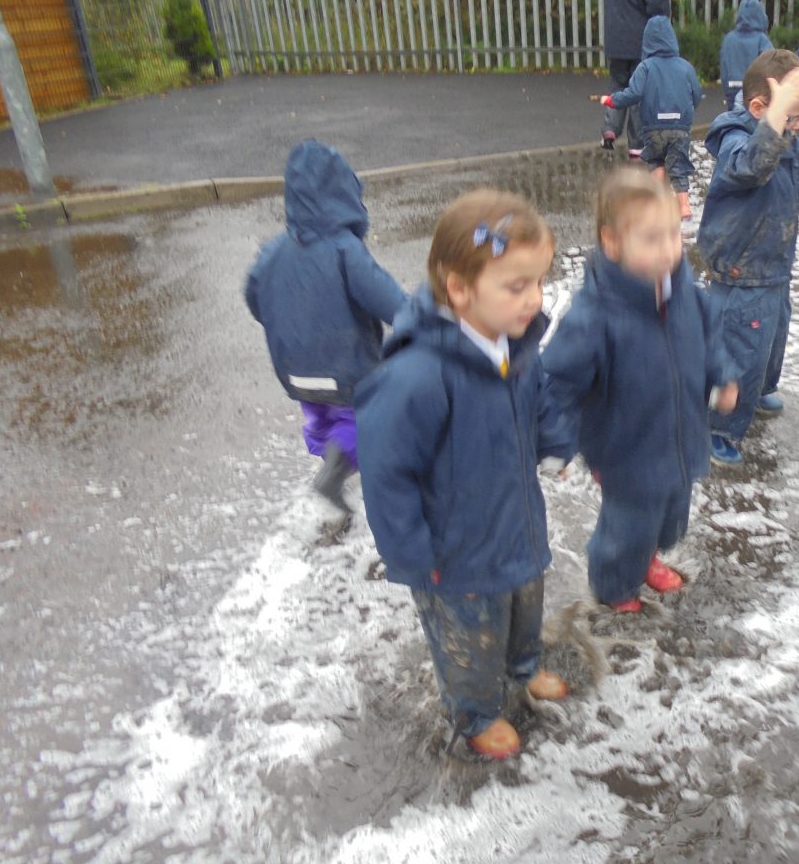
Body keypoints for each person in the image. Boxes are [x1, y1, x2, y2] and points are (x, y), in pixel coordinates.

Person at [354, 190, 574, 760]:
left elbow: (540, 396)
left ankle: (523, 665)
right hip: (453, 554)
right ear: (459, 288)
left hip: (516, 523)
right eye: (516, 286)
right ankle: (475, 711)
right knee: (468, 637)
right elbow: (386, 471)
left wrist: (555, 442)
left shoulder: (515, 345)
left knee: (524, 605)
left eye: (539, 282)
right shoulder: (418, 376)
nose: (535, 299)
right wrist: (410, 553)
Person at [542, 167, 738, 613]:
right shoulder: (594, 316)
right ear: (612, 243)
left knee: (670, 517)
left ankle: (646, 556)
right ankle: (614, 583)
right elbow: (559, 383)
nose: (668, 248)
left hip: (680, 437)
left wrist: (721, 375)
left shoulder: (684, 292)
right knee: (628, 526)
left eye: (673, 234)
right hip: (625, 452)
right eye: (651, 239)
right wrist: (555, 443)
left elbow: (709, 336)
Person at [697, 49, 799, 465]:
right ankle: (719, 426)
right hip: (742, 273)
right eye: (792, 119)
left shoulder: (783, 138)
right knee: (741, 352)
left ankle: (757, 391)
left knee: (771, 343)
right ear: (760, 109)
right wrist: (778, 119)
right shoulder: (737, 142)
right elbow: (753, 165)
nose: (796, 129)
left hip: (772, 267)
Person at [245, 139, 407, 513]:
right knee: (364, 418)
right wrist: (421, 319)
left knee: (320, 415)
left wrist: (282, 323)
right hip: (347, 369)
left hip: (295, 371)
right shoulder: (344, 249)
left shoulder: (272, 251)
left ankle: (330, 472)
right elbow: (388, 300)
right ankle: (336, 470)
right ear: (345, 194)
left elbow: (254, 297)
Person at [601, 17, 705, 219]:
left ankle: (657, 202)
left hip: (653, 127)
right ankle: (684, 206)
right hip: (680, 127)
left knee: (656, 161)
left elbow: (633, 93)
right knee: (679, 166)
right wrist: (688, 110)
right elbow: (697, 93)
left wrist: (612, 101)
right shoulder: (685, 67)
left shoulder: (645, 67)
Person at [600, 0, 671, 154]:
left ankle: (610, 129)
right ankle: (636, 144)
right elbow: (657, 6)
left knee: (617, 85)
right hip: (640, 41)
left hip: (615, 39)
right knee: (639, 93)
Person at [719, 0, 773, 111]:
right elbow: (770, 64)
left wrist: (727, 88)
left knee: (734, 118)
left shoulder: (729, 38)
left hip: (732, 87)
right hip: (755, 90)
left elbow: (724, 67)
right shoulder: (762, 39)